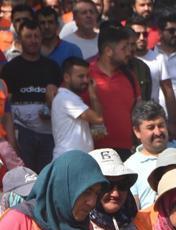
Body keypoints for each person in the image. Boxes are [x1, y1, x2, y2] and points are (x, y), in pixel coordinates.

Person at [0, 19, 60, 172]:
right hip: (22, 132)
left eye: (36, 36)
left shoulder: (52, 67)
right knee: (26, 174)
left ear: (41, 38)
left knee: (46, 174)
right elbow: (7, 106)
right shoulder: (10, 69)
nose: (33, 40)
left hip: (49, 132)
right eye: (28, 36)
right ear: (20, 40)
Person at [87, 24, 140, 160]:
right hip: (94, 152)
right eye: (123, 48)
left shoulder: (130, 76)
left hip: (126, 151)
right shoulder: (85, 75)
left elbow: (137, 110)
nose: (129, 52)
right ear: (108, 51)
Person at [129, 15, 176, 135]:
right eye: (137, 34)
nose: (141, 38)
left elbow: (168, 91)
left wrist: (172, 122)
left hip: (151, 118)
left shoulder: (158, 58)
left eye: (145, 34)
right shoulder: (124, 60)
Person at [125, 100, 174, 208]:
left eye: (161, 125)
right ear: (137, 131)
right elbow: (134, 209)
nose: (158, 132)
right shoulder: (129, 167)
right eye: (151, 127)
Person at [52, 56, 103, 158]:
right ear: (66, 77)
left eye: (87, 76)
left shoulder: (68, 97)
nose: (86, 80)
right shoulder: (66, 98)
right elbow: (98, 118)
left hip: (74, 159)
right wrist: (93, 95)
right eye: (81, 76)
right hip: (69, 160)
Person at [0, 78, 23, 172]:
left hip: (2, 145)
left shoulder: (1, 84)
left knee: (19, 175)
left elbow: (7, 116)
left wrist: (12, 145)